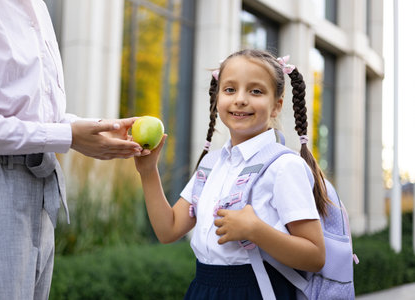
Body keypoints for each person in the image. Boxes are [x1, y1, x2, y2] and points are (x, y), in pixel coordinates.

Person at [0, 1, 148, 299]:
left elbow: (36, 116)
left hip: (38, 183)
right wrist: (67, 135)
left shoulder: (38, 6)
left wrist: (90, 129)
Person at [134, 49, 330, 299]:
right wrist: (148, 171)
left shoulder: (284, 166)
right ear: (217, 99)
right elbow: (169, 229)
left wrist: (255, 230)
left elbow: (314, 256)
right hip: (202, 290)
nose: (240, 99)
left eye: (256, 91)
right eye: (229, 90)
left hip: (257, 291)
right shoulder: (211, 164)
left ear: (276, 106)